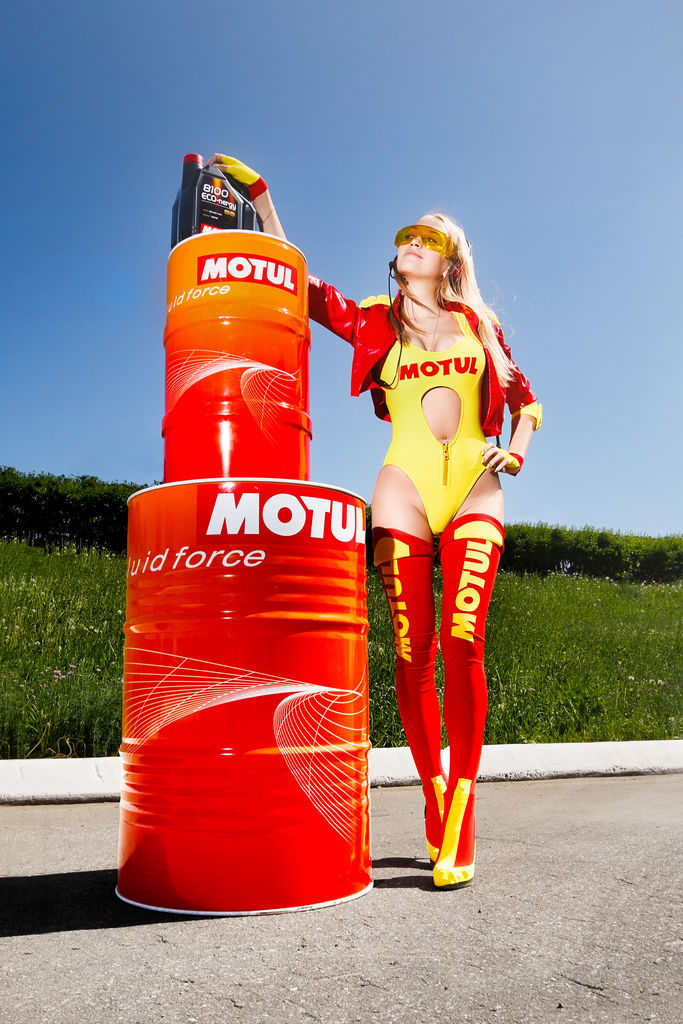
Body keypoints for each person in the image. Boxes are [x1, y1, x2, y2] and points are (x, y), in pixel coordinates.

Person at [206, 155, 542, 889]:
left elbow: (528, 400)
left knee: (462, 641)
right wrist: (262, 202)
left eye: (430, 237)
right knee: (412, 654)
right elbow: (301, 286)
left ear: (451, 260)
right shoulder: (372, 319)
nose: (413, 243)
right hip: (402, 490)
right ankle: (433, 798)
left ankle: (463, 808)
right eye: (407, 235)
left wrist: (515, 450)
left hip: (475, 488)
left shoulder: (480, 326)